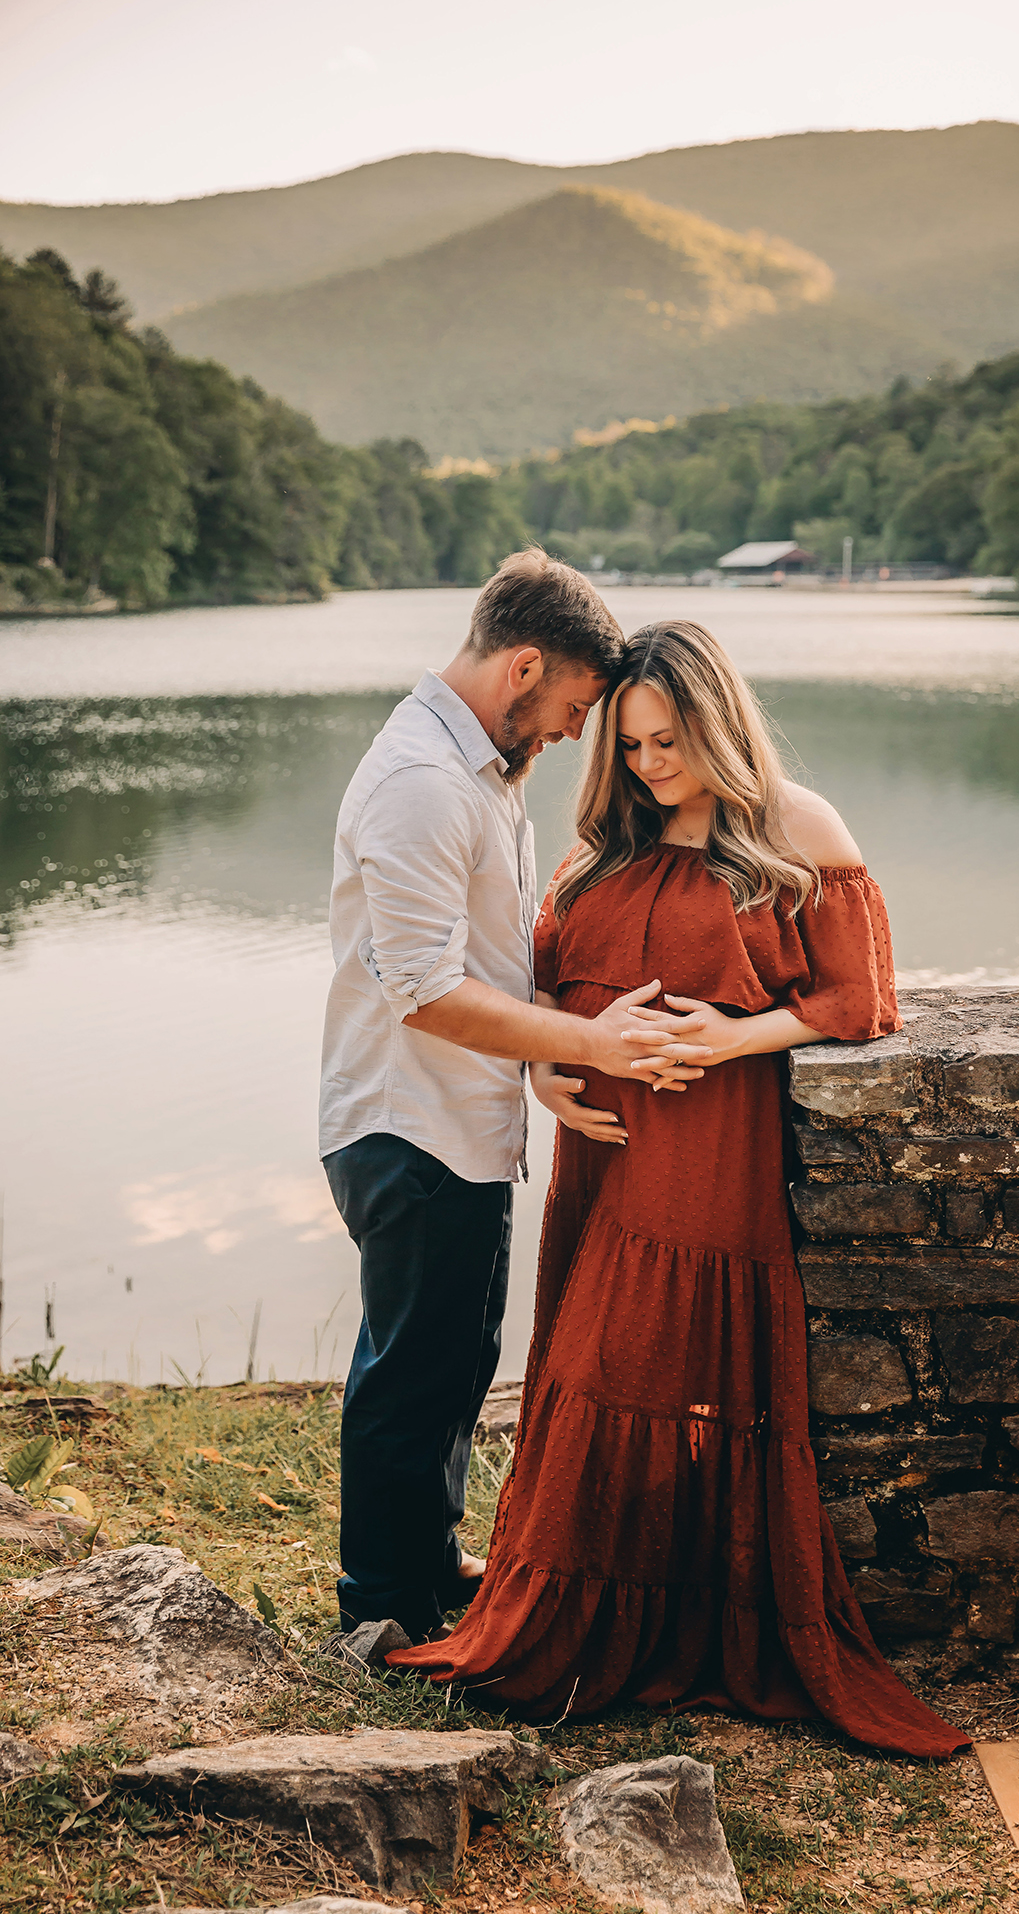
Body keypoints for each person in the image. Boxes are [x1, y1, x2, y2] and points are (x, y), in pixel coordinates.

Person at [389, 620, 967, 1757]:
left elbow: (857, 1000)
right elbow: (549, 989)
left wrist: (734, 1035)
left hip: (707, 1151)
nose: (649, 764)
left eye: (668, 741)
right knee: (591, 1363)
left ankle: (666, 1615)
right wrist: (548, 1069)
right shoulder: (602, 850)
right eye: (632, 743)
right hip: (600, 1155)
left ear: (716, 722)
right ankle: (583, 1608)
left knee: (643, 1364)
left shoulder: (795, 829)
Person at [320, 556, 710, 1646]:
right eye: (577, 709)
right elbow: (425, 992)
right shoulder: (419, 782)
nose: (575, 735)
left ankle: (428, 1564)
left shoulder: (479, 771)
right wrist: (592, 1041)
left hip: (466, 1117)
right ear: (524, 666)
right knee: (409, 1367)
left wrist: (542, 1057)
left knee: (455, 1355)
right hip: (406, 1120)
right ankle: (379, 1609)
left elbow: (488, 956)